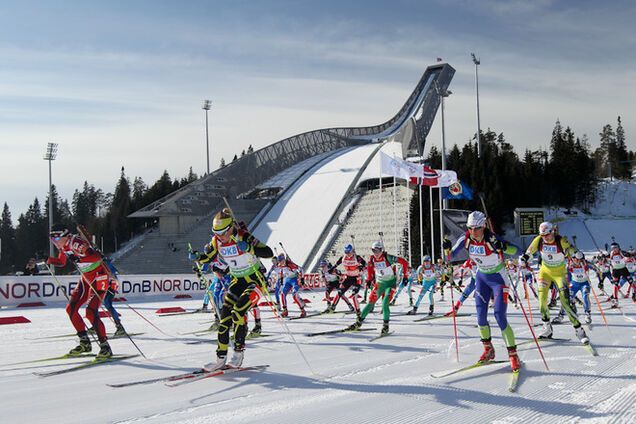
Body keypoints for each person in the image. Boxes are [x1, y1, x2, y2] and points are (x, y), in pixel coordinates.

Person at [190, 209, 273, 371]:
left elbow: (268, 252)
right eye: (216, 233)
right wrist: (197, 257)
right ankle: (220, 359)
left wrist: (249, 247)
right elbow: (209, 257)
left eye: (222, 232)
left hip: (255, 280)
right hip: (237, 280)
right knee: (224, 319)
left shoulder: (243, 236)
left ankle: (238, 354)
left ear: (230, 228)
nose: (219, 236)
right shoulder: (217, 241)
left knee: (239, 311)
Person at [450, 211, 521, 372]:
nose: (473, 232)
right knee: (480, 317)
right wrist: (446, 249)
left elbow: (517, 250)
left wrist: (503, 247)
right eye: (470, 228)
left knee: (499, 315)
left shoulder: (492, 239)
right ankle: (488, 350)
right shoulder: (466, 238)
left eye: (476, 228)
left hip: (498, 279)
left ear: (483, 226)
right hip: (482, 278)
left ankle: (513, 355)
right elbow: (450, 256)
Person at [47, 228, 113, 359]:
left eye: (56, 239)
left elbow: (97, 257)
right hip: (86, 278)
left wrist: (78, 259)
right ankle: (85, 343)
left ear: (64, 236)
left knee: (90, 312)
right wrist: (48, 259)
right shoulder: (64, 245)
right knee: (71, 309)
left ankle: (105, 346)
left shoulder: (76, 243)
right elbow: (61, 262)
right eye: (52, 239)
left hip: (98, 276)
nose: (55, 242)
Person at [521, 221, 590, 345]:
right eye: (542, 235)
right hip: (545, 272)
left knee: (565, 302)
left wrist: (578, 254)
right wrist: (524, 259)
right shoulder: (539, 240)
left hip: (559, 274)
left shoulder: (560, 240)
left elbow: (571, 250)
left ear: (553, 231)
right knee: (542, 300)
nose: (545, 238)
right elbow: (529, 252)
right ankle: (547, 328)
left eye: (547, 234)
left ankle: (579, 330)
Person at [346, 241, 408, 336]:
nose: (376, 253)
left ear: (381, 250)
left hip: (390, 284)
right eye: (373, 250)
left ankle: (385, 326)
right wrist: (369, 280)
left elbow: (404, 262)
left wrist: (406, 276)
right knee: (370, 302)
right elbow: (370, 269)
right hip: (380, 283)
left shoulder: (388, 257)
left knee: (385, 303)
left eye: (377, 250)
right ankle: (359, 323)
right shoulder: (372, 259)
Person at [327, 244, 366, 315]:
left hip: (356, 278)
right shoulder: (343, 257)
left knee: (354, 296)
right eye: (346, 252)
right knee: (339, 292)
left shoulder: (357, 257)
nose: (347, 254)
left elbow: (364, 264)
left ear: (352, 251)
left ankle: (358, 312)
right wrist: (331, 269)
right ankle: (332, 307)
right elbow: (336, 264)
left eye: (349, 252)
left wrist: (361, 267)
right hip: (348, 278)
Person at [276, 254, 307, 318]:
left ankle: (303, 310)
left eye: (281, 261)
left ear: (284, 260)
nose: (280, 262)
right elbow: (281, 272)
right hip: (287, 280)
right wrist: (281, 280)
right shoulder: (279, 265)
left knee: (294, 295)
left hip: (295, 279)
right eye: (279, 261)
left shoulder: (290, 264)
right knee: (282, 293)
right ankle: (285, 310)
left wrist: (302, 279)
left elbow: (301, 269)